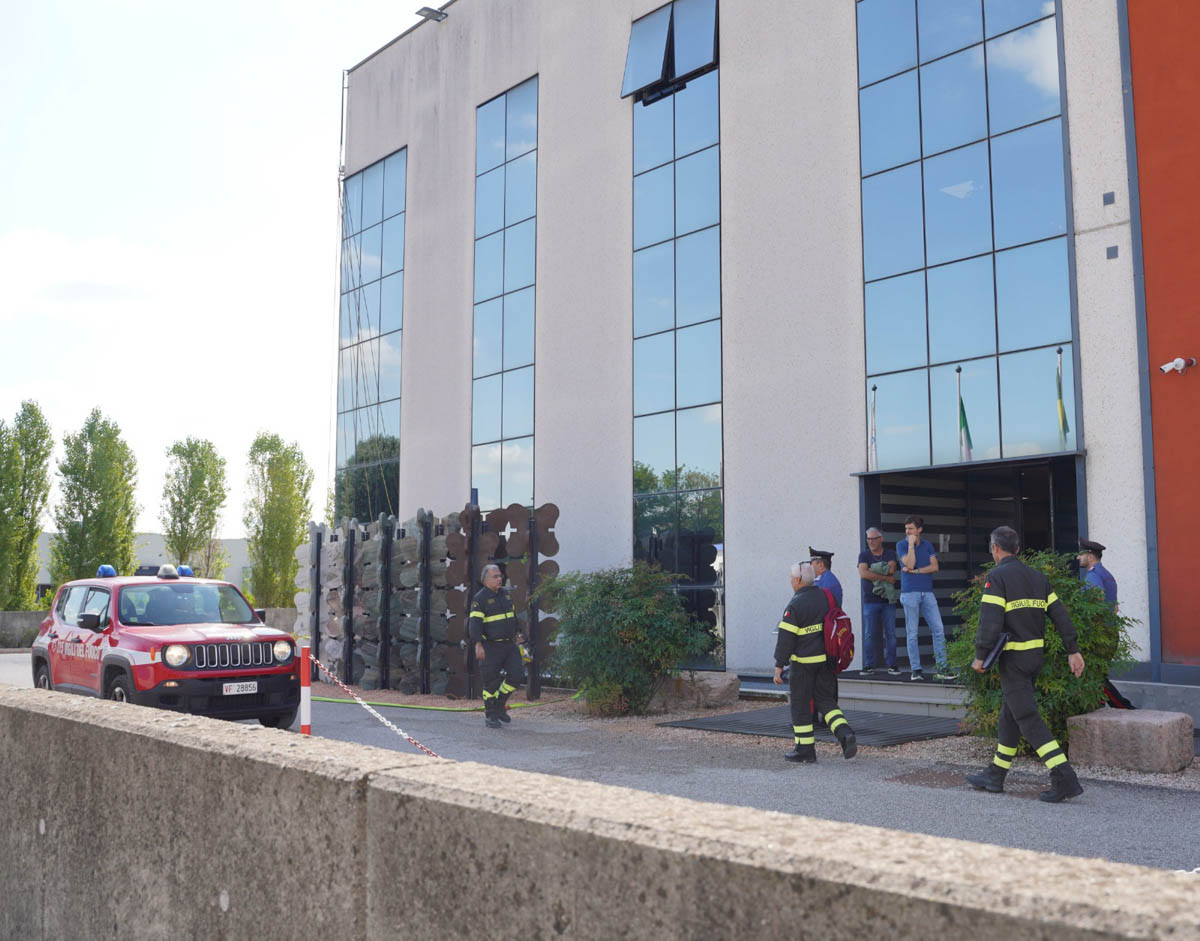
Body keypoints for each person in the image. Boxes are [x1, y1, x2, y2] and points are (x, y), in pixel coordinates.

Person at [967, 526, 1086, 803]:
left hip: (1014, 661)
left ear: (995, 549)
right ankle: (995, 774)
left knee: (1027, 718)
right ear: (1017, 550)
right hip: (1034, 658)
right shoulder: (1037, 577)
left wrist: (981, 655)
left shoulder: (997, 577)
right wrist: (1073, 650)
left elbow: (990, 621)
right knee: (1010, 714)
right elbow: (1060, 615)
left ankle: (1064, 776)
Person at [773, 561, 857, 763]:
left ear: (798, 580)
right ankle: (845, 733)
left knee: (801, 706)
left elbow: (786, 639)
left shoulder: (795, 605)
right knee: (826, 701)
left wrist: (779, 666)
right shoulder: (827, 597)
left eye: (792, 578)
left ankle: (805, 750)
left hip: (803, 664)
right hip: (826, 662)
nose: (791, 581)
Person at [897, 515, 954, 682]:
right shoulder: (901, 544)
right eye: (906, 529)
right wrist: (910, 545)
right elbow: (909, 563)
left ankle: (942, 667)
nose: (908, 532)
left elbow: (935, 567)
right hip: (909, 593)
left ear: (919, 530)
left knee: (938, 628)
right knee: (912, 632)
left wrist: (915, 572)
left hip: (927, 592)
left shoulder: (928, 544)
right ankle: (916, 669)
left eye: (911, 529)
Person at [469, 563, 525, 729]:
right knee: (491, 683)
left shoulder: (506, 595)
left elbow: (512, 616)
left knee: (517, 675)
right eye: (496, 576)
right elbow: (474, 624)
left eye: (500, 576)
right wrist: (477, 644)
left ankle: (500, 705)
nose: (500, 579)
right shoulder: (479, 599)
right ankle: (491, 715)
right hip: (490, 647)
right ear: (485, 580)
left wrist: (518, 633)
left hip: (509, 645)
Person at [857, 527, 899, 675]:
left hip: (888, 601)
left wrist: (872, 571)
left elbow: (891, 570)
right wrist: (886, 578)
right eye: (868, 539)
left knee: (891, 633)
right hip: (870, 600)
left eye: (874, 538)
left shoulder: (891, 553)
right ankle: (869, 665)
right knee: (869, 633)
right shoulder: (864, 555)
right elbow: (863, 573)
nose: (871, 542)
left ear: (881, 539)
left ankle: (892, 664)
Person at [1078, 539, 1118, 611]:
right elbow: (1115, 609)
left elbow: (1099, 598)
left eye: (1081, 555)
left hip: (1096, 621)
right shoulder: (1107, 575)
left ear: (1090, 557)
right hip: (1108, 621)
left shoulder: (1093, 575)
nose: (1078, 558)